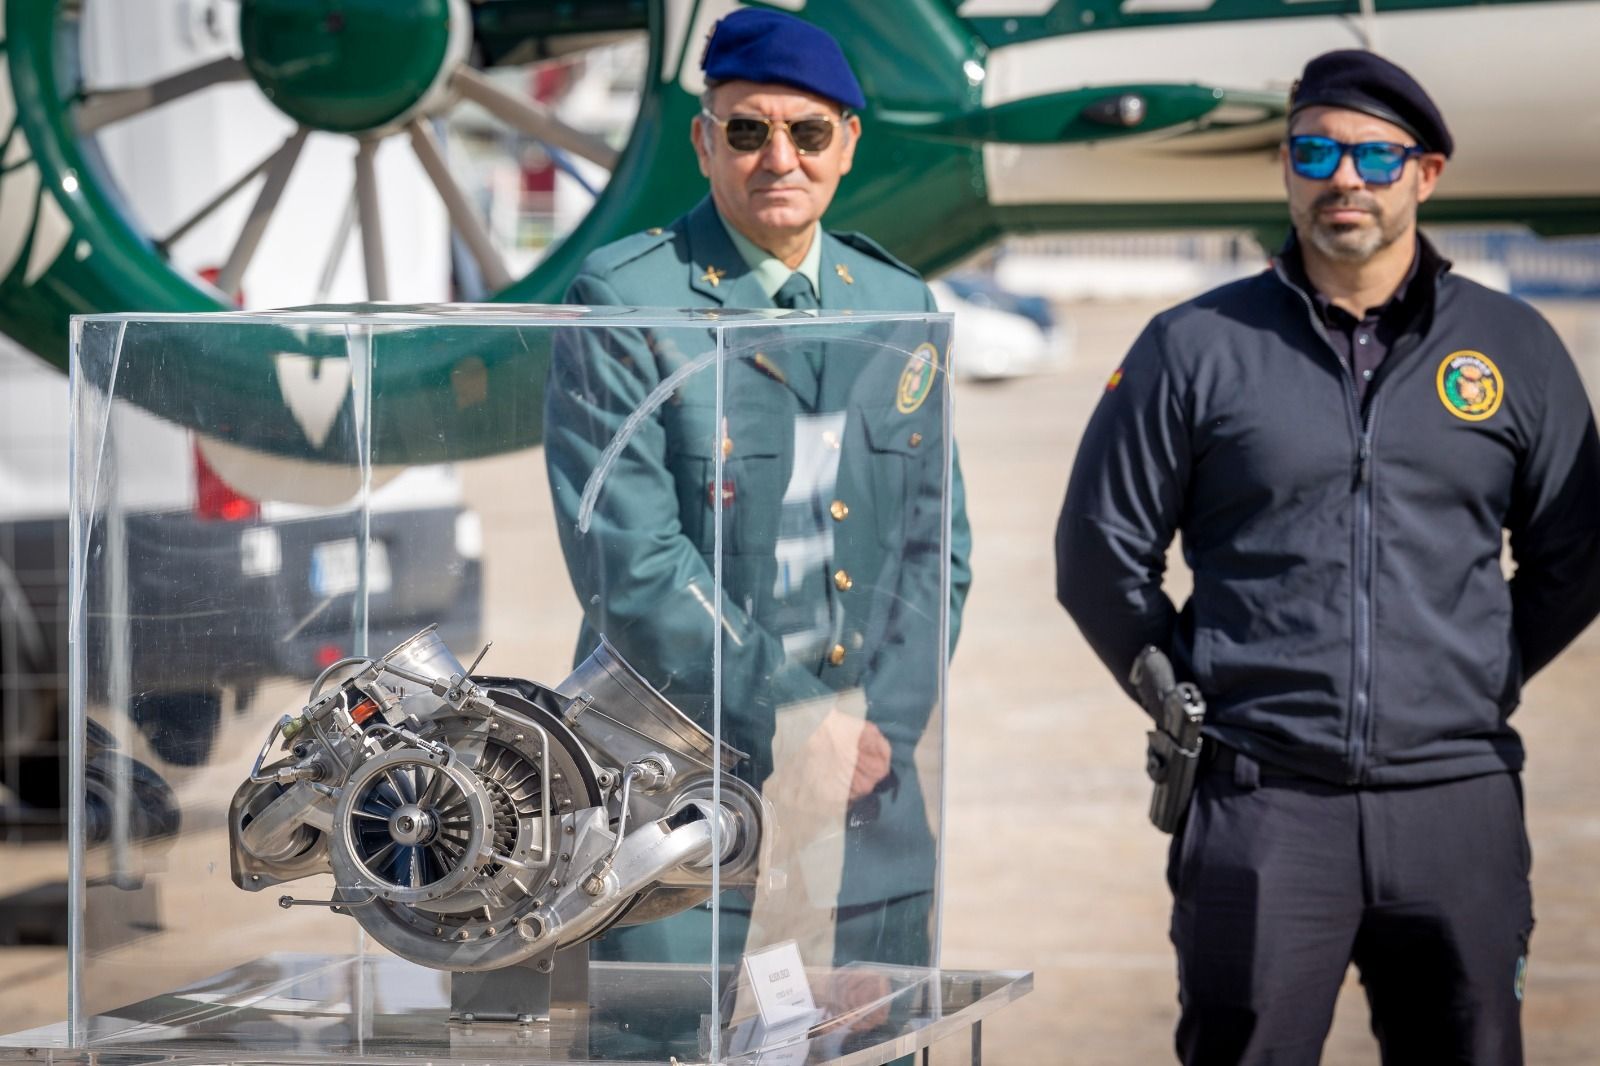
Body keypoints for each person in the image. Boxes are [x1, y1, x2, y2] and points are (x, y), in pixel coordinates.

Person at [1055, 49, 1600, 1065]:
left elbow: (1576, 555)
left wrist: (1472, 674)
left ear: (1425, 174)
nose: (1343, 178)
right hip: (1261, 803)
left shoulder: (1515, 347)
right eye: (1314, 153)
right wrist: (1190, 693)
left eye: (1374, 157)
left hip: (1456, 803)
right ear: (1285, 168)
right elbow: (1098, 554)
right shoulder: (1193, 345)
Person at [543, 8, 971, 974]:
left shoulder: (897, 302)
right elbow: (633, 564)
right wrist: (793, 718)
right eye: (747, 130)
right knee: (672, 1035)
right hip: (681, 797)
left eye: (808, 132)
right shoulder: (627, 299)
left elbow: (937, 545)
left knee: (871, 1029)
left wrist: (880, 729)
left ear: (847, 144)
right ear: (704, 143)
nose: (780, 157)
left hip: (863, 787)